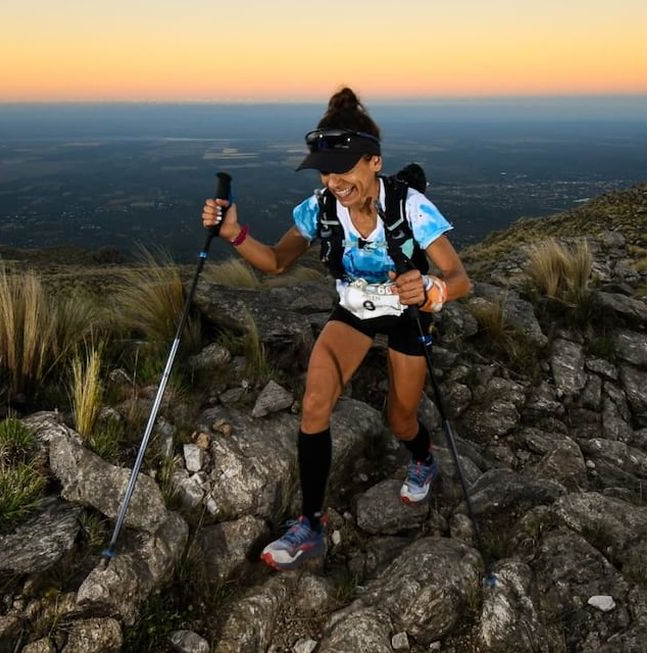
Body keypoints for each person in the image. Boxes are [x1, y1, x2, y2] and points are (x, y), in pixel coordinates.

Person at [200, 88, 471, 571]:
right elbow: (277, 262)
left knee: (400, 419)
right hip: (354, 309)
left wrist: (431, 290)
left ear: (374, 162)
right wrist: (233, 234)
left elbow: (459, 278)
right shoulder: (320, 207)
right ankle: (310, 525)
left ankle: (423, 456)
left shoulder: (410, 207)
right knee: (314, 403)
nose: (333, 179)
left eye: (343, 167)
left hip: (407, 309)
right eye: (325, 169)